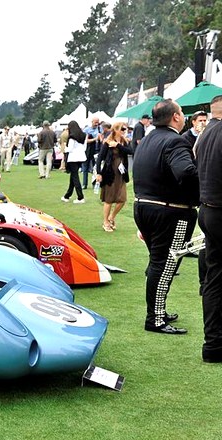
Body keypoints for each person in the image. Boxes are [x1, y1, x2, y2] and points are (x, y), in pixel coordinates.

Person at [132, 98, 199, 335]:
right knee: (165, 265)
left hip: (144, 207)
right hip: (170, 212)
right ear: (176, 117)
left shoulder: (148, 139)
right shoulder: (175, 142)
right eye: (181, 112)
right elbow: (187, 173)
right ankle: (155, 318)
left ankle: (157, 310)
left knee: (157, 263)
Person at [194, 94, 222, 360]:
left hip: (208, 210)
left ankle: (213, 344)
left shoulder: (204, 134)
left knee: (214, 278)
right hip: (217, 209)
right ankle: (214, 343)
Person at [96, 122, 133, 232]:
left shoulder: (124, 141)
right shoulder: (107, 142)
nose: (124, 131)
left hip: (121, 174)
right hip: (109, 173)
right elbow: (100, 158)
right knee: (109, 199)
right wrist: (98, 173)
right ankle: (105, 221)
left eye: (125, 129)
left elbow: (131, 151)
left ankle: (111, 217)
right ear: (116, 129)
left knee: (122, 199)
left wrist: (117, 145)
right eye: (122, 129)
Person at [61, 120, 87, 203]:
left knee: (75, 177)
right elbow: (84, 148)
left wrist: (65, 147)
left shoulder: (72, 137)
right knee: (73, 176)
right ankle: (67, 195)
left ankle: (80, 197)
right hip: (81, 157)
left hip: (73, 158)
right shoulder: (84, 135)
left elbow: (70, 149)